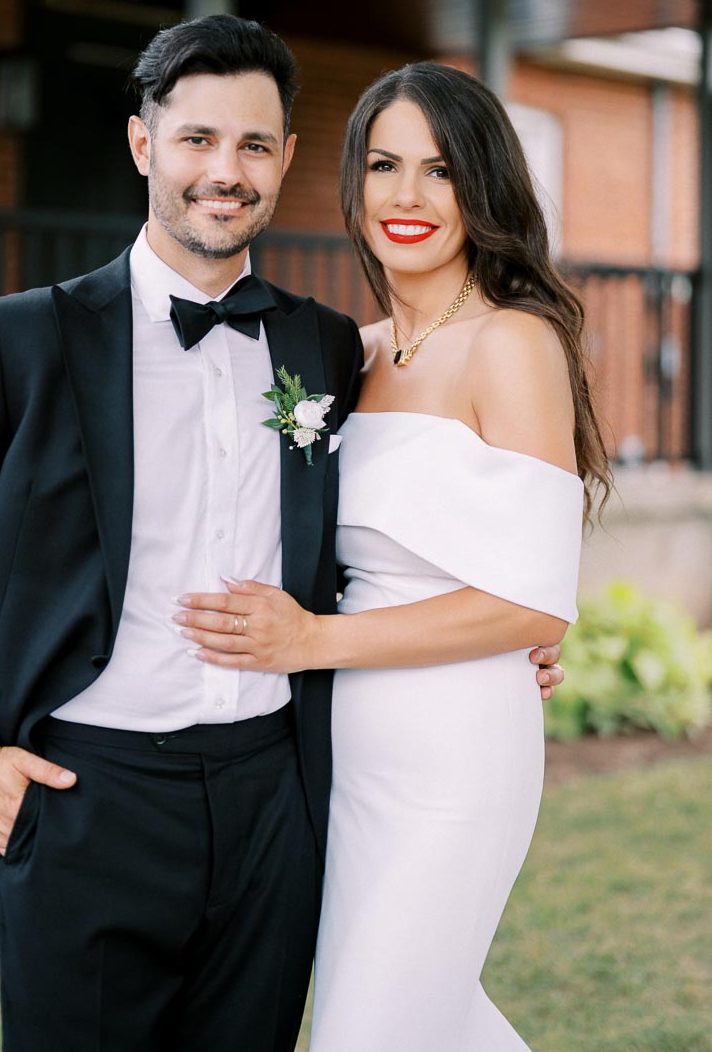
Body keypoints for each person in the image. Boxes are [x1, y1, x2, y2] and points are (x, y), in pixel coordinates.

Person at [0, 21, 564, 1052]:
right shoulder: (26, 340)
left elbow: (438, 519)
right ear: (144, 144)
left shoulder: (325, 347)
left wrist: (516, 634)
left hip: (280, 799)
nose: (224, 172)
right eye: (196, 140)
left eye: (255, 146)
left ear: (281, 166)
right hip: (88, 797)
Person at [176, 61, 610, 1050]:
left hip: (455, 755)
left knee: (369, 1034)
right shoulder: (347, 355)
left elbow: (535, 607)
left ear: (484, 190)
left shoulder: (514, 344)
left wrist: (314, 638)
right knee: (432, 1022)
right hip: (342, 756)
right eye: (384, 165)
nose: (408, 196)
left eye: (441, 170)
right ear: (353, 186)